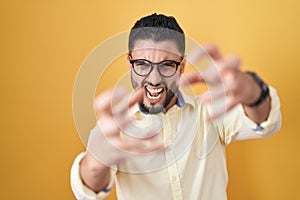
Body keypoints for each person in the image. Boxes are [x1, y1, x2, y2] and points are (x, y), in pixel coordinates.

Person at [70, 13, 281, 200]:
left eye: (167, 65)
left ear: (182, 66)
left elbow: (264, 122)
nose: (154, 79)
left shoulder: (209, 110)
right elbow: (88, 191)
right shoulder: (114, 128)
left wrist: (253, 91)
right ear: (130, 63)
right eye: (142, 64)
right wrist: (96, 163)